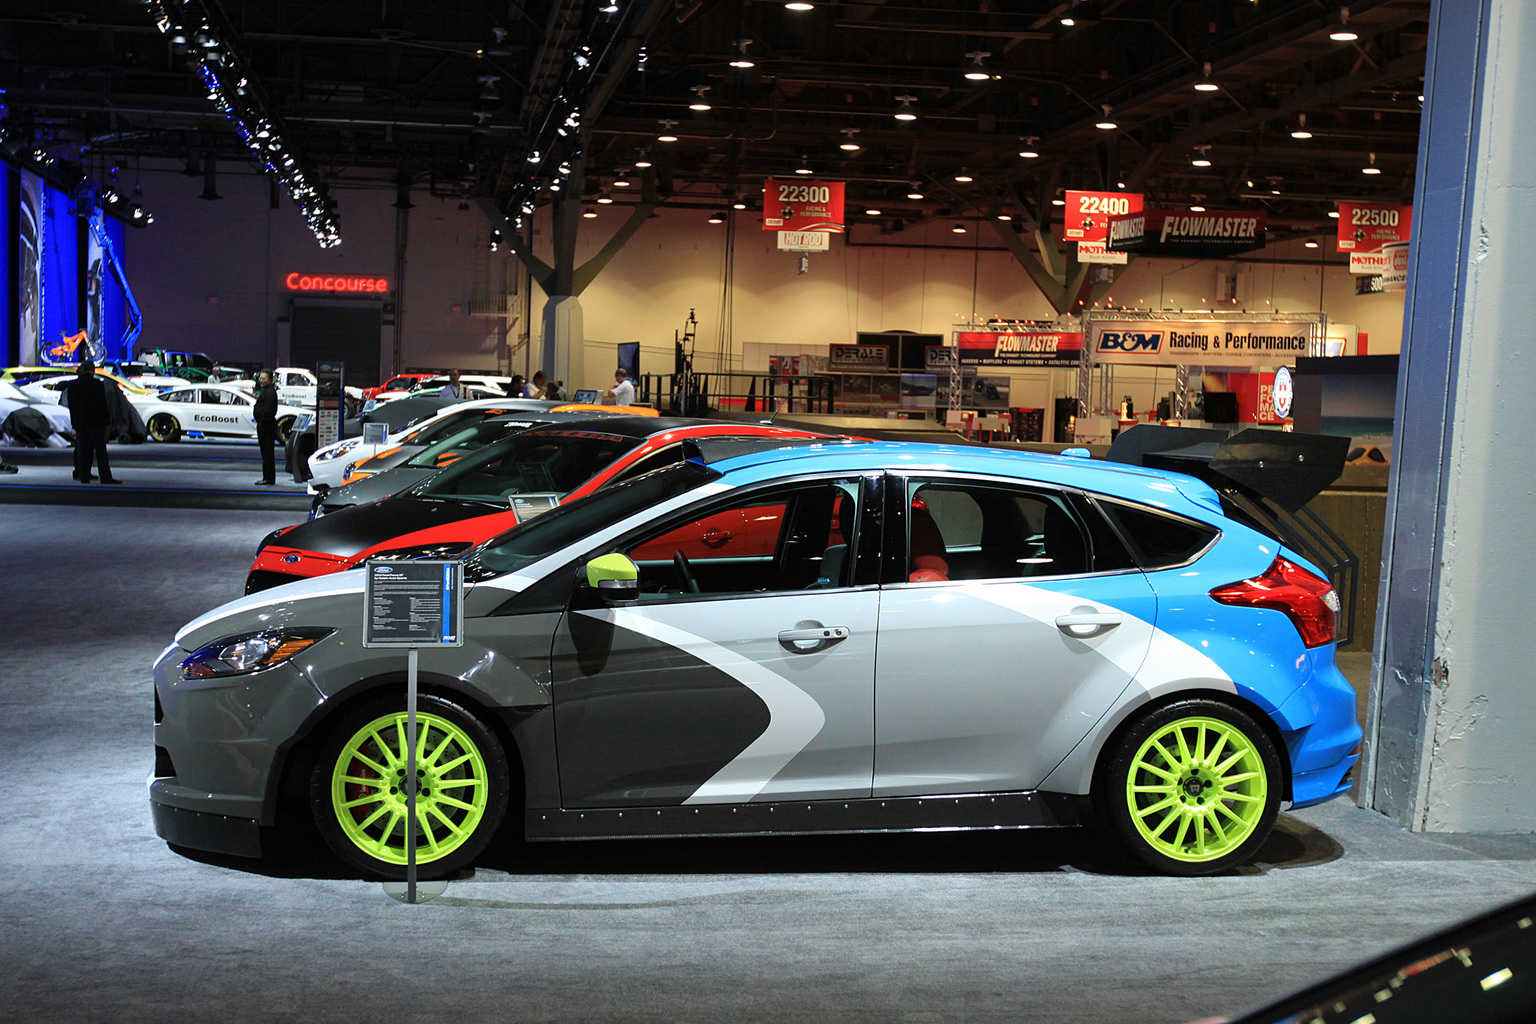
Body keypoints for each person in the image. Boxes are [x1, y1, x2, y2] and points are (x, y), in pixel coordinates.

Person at [61, 359, 120, 484]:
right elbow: (101, 404)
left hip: (80, 422)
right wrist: (106, 420)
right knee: (100, 451)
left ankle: (84, 476)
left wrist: (74, 420)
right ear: (92, 370)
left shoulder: (73, 385)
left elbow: (71, 405)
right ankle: (105, 476)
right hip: (95, 422)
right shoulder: (97, 384)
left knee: (82, 450)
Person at [253, 369, 279, 484]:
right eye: (261, 378)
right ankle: (267, 477)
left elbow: (269, 411)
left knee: (267, 453)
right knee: (266, 453)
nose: (262, 381)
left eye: (264, 379)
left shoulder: (270, 392)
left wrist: (262, 423)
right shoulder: (267, 391)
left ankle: (268, 478)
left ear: (270, 379)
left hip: (266, 427)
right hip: (264, 425)